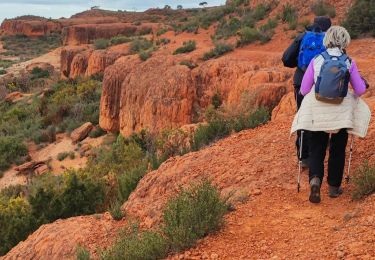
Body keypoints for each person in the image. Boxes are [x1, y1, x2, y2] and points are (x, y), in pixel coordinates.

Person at [293, 26, 370, 203]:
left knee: (317, 148)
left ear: (327, 40)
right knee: (337, 149)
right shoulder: (349, 62)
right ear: (345, 41)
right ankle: (334, 188)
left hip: (318, 111)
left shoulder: (317, 59)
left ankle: (315, 181)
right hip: (340, 113)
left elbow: (304, 90)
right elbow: (359, 90)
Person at [282, 16, 332, 167]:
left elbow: (286, 59)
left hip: (302, 82)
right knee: (322, 115)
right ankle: (320, 151)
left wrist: (301, 64)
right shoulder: (330, 39)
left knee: (304, 116)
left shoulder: (302, 37)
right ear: (328, 27)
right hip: (323, 84)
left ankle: (304, 157)